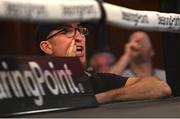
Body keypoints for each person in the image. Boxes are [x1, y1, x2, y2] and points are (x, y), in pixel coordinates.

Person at [36, 22, 171, 104]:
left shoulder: (97, 80)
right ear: (47, 47)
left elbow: (160, 87)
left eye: (80, 30)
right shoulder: (33, 85)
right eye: (66, 31)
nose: (79, 37)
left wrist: (100, 98)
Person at [98, 31, 165, 81]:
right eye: (133, 40)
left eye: (142, 41)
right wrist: (127, 55)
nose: (136, 43)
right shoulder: (123, 76)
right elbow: (108, 82)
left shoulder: (163, 75)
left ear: (151, 51)